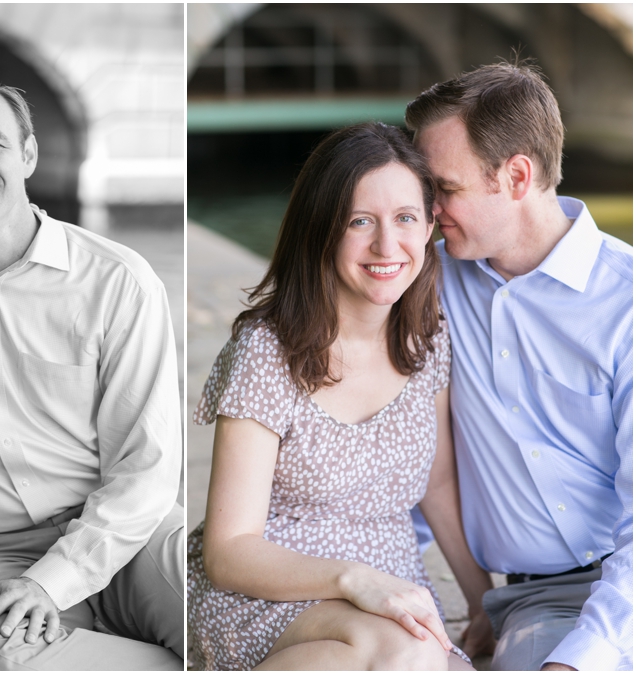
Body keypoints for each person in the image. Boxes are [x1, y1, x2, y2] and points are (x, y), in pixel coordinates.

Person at [187, 122, 496, 671]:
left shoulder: (427, 338)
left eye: (404, 218)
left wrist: (482, 603)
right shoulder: (266, 351)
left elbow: (440, 482)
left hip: (392, 596)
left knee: (419, 655)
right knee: (407, 654)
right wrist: (355, 579)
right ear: (321, 229)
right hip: (270, 592)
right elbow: (229, 548)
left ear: (429, 226)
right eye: (359, 221)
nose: (386, 245)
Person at [0, 70, 184, 670]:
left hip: (131, 530)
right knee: (1, 661)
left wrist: (56, 582)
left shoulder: (119, 280)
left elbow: (148, 468)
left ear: (29, 153)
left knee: (219, 613)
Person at [405, 60, 633, 671]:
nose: (428, 212)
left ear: (516, 175)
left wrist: (581, 659)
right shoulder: (422, 280)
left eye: (443, 190)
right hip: (541, 600)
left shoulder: (627, 303)